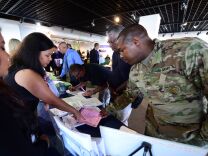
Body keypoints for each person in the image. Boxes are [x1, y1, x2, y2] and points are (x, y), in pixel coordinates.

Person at [116, 23, 208, 147]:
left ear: (136, 41)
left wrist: (204, 137)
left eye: (122, 50)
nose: (120, 56)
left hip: (190, 140)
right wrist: (109, 110)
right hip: (155, 134)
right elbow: (130, 94)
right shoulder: (135, 70)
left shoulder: (188, 51)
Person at [4, 32, 85, 142]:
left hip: (19, 122)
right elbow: (53, 100)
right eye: (47, 55)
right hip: (17, 127)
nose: (50, 59)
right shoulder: (26, 73)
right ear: (34, 54)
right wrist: (75, 112)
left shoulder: (19, 68)